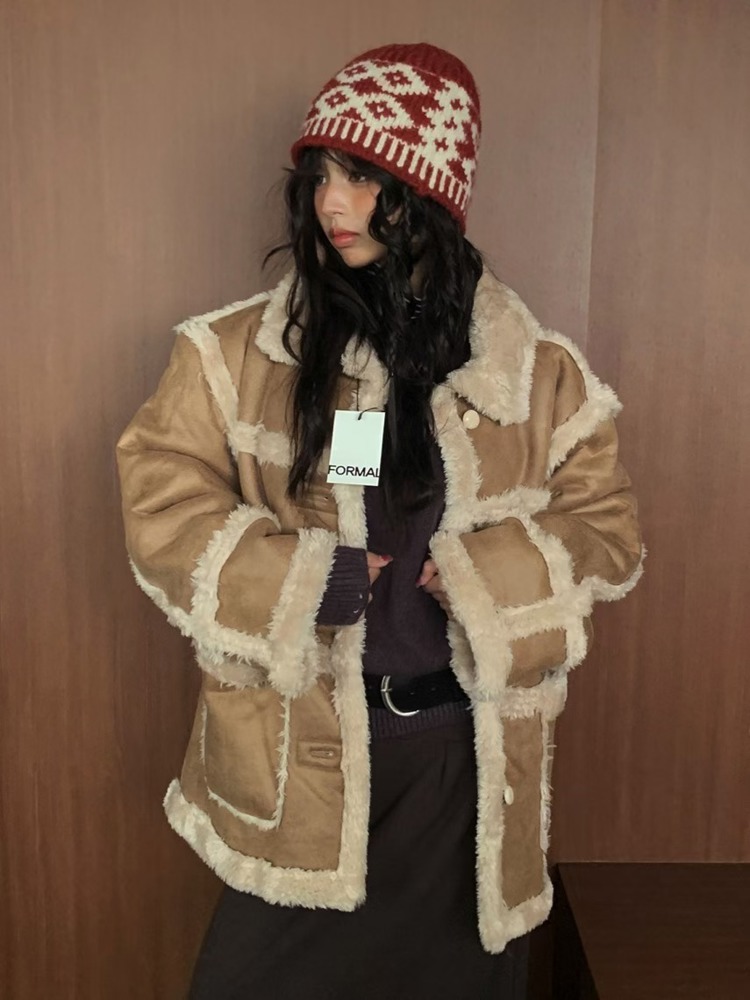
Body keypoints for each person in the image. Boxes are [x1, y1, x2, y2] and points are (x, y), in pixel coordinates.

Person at [117, 43, 643, 999]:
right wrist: (300, 579)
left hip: (461, 769)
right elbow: (161, 497)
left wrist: (493, 579)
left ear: (428, 195)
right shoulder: (237, 356)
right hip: (301, 759)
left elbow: (606, 528)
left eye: (363, 177)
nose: (332, 202)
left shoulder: (537, 376)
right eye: (320, 175)